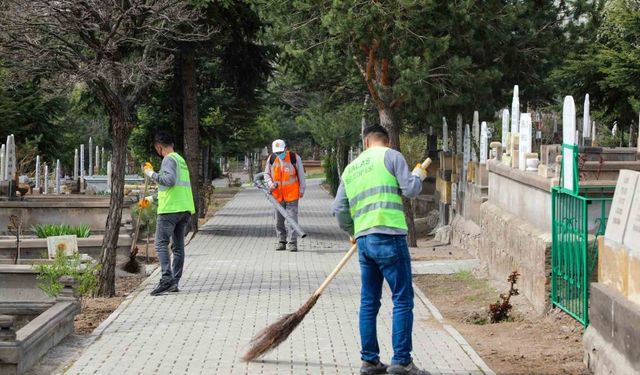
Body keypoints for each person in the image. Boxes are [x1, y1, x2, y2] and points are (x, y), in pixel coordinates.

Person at [332, 125, 430, 375]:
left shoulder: (351, 169)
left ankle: (370, 361)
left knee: (368, 301)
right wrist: (418, 175)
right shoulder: (392, 156)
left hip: (365, 241)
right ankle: (401, 361)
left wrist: (353, 231)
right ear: (385, 141)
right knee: (402, 299)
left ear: (366, 142)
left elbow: (339, 209)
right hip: (390, 236)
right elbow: (409, 189)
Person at [141, 131, 196, 296]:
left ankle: (166, 279)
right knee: (178, 247)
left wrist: (150, 173)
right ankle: (174, 282)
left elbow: (169, 180)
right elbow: (173, 188)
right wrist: (151, 199)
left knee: (160, 244)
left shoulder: (168, 159)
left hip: (170, 211)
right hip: (184, 209)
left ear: (159, 147)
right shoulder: (180, 160)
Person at [264, 139, 306, 252]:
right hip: (277, 195)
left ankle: (293, 242)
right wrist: (270, 184)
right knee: (278, 219)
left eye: (280, 152)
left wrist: (302, 189)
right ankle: (281, 241)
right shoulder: (271, 159)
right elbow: (266, 174)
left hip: (292, 194)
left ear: (286, 149)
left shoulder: (294, 158)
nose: (279, 154)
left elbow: (301, 175)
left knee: (292, 219)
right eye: (276, 152)